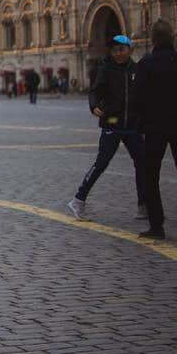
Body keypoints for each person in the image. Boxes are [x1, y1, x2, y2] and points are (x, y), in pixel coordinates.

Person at [67, 35, 146, 221]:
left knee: (142, 164)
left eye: (121, 49)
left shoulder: (137, 69)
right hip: (112, 123)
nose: (118, 53)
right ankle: (78, 200)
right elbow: (95, 91)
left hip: (132, 125)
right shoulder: (106, 69)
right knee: (101, 163)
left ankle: (143, 205)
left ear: (130, 50)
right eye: (115, 50)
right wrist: (94, 105)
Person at [132, 20, 177, 240]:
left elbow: (137, 97)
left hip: (154, 128)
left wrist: (140, 122)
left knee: (151, 176)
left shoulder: (146, 63)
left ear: (153, 40)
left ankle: (156, 226)